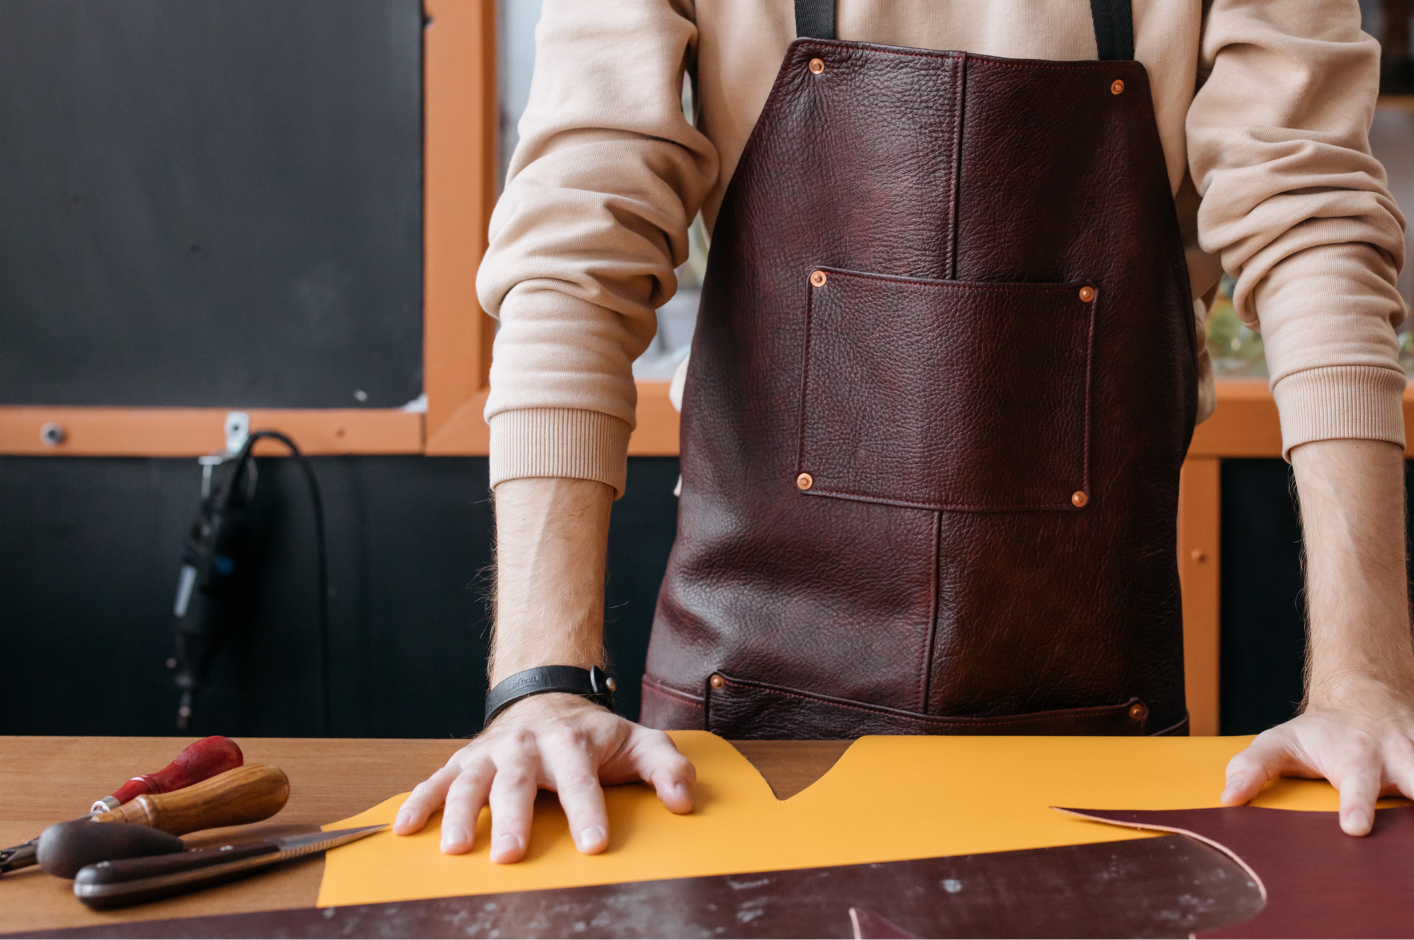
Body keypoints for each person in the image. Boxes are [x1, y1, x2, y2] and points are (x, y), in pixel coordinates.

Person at [394, 0, 1414, 863]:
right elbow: (579, 244)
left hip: (1099, 739)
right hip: (725, 760)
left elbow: (1309, 222)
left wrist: (1362, 686)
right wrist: (541, 683)